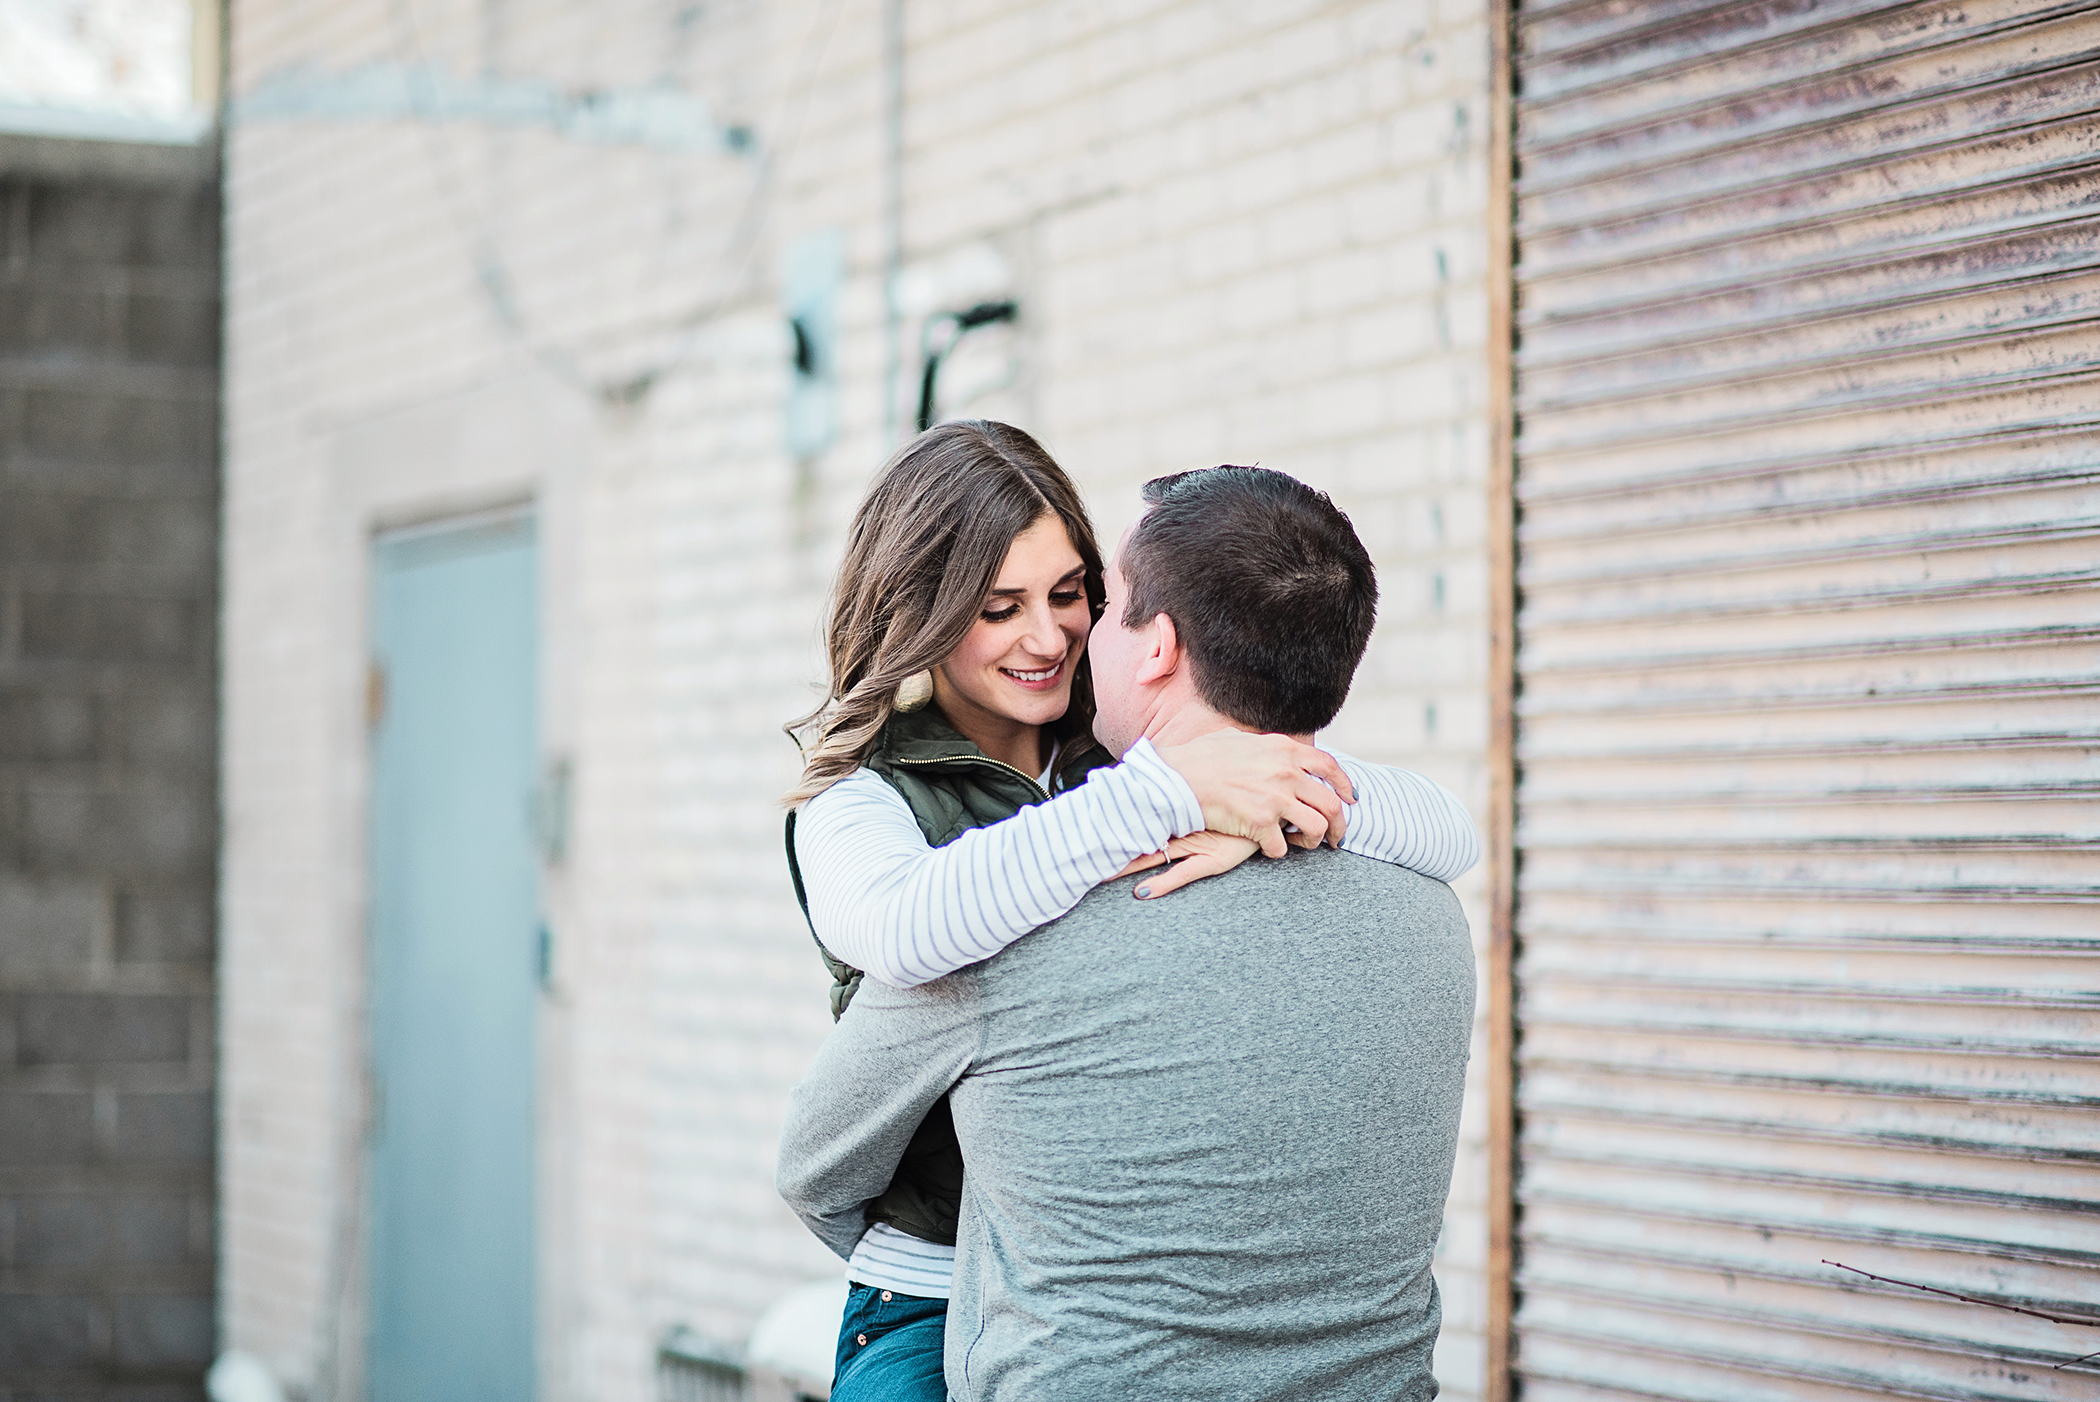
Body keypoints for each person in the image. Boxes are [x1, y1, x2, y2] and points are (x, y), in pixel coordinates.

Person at [781, 436, 1477, 1401]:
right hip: (930, 1288)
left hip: (1089, 1304)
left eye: (1071, 594)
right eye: (998, 609)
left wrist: (1269, 796)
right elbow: (906, 936)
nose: (1049, 637)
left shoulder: (1118, 745)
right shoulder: (862, 804)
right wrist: (1166, 793)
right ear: (925, 615)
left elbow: (1450, 829)